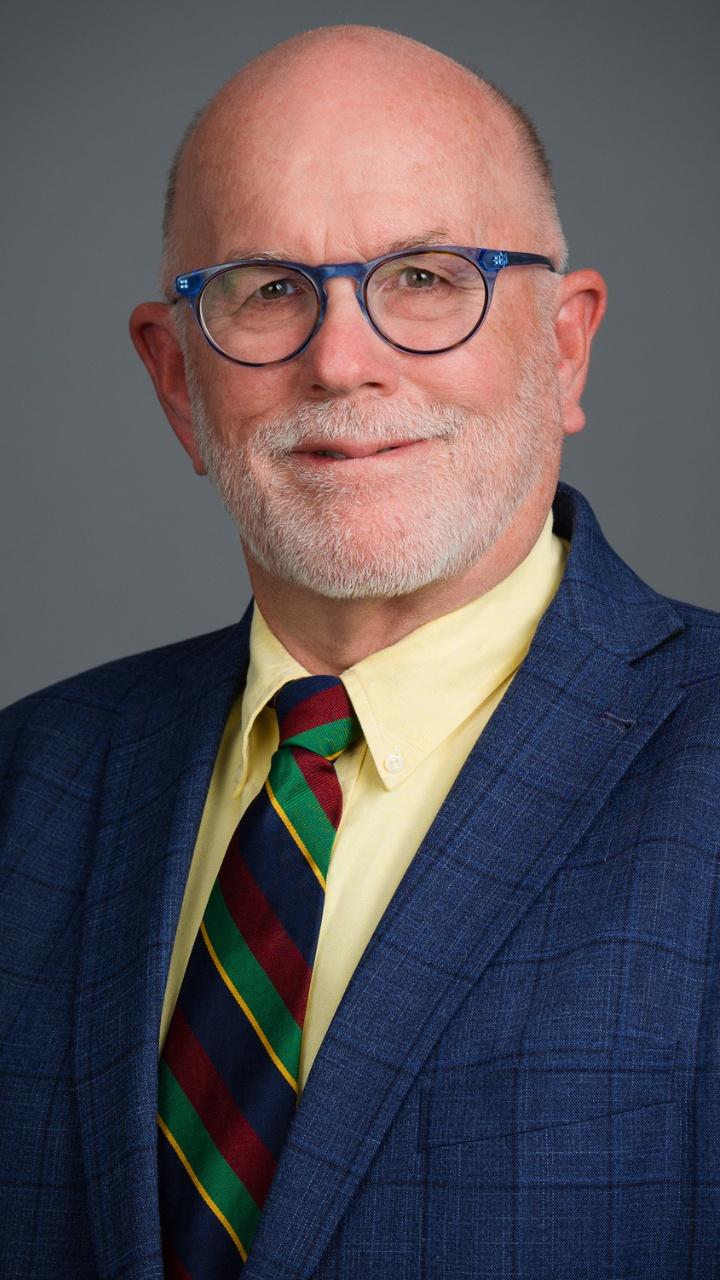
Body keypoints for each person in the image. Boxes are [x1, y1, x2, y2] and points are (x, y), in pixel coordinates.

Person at [2, 22, 719, 1280]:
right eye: (269, 288)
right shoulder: (28, 782)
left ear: (565, 345)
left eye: (429, 276)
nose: (343, 358)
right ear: (178, 381)